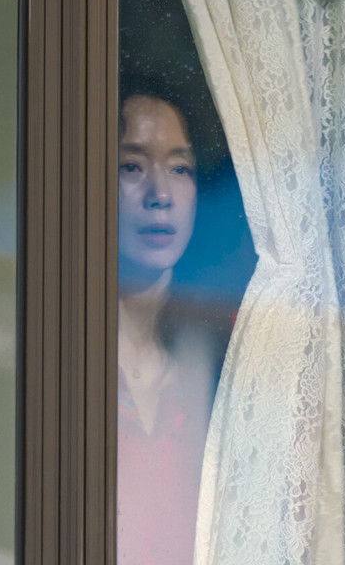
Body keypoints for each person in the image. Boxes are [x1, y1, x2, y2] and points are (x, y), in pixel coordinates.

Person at [116, 88, 228, 565]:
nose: (159, 195)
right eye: (132, 166)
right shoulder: (57, 345)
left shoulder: (222, 352)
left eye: (180, 169)